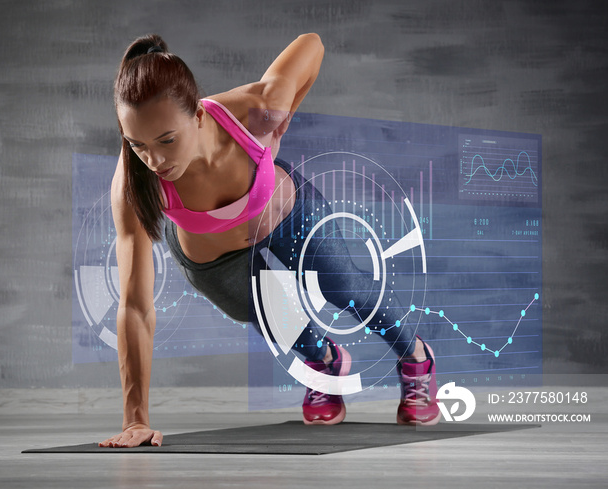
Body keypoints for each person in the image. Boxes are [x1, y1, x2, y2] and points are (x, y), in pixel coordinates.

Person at [99, 33, 440, 448]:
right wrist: (135, 419)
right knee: (277, 322)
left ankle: (416, 357)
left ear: (199, 117)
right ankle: (327, 363)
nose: (154, 160)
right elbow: (134, 306)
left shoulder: (248, 110)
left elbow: (312, 45)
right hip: (217, 263)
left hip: (285, 213)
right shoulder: (134, 186)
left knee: (347, 289)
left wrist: (286, 109)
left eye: (167, 140)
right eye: (138, 145)